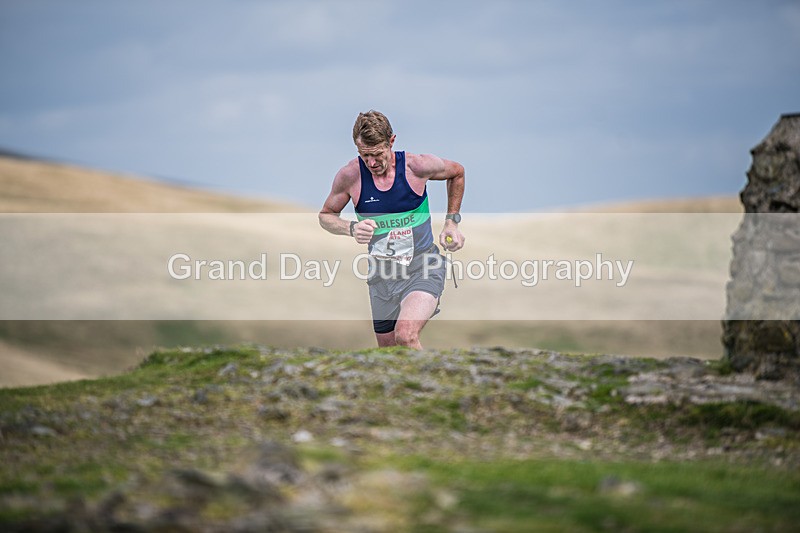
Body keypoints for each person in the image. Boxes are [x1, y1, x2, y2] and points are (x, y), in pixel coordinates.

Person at [319, 110, 465, 349]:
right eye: (365, 156)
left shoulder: (416, 167)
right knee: (388, 355)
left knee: (406, 335)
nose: (372, 163)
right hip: (382, 276)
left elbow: (457, 172)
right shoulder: (350, 176)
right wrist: (351, 228)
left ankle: (433, 386)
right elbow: (326, 216)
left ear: (391, 142)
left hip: (423, 266)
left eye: (377, 154)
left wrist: (451, 222)